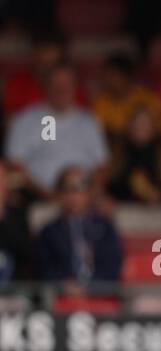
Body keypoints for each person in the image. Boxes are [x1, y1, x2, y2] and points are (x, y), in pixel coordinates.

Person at [4, 63, 108, 197]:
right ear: (45, 87)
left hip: (83, 201)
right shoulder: (24, 121)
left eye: (66, 85)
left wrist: (87, 197)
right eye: (56, 85)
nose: (62, 90)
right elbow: (14, 165)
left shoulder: (89, 122)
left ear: (75, 87)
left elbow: (102, 167)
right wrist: (50, 196)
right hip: (36, 201)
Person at [37, 166, 123, 295]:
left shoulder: (105, 228)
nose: (74, 196)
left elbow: (112, 268)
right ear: (59, 194)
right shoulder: (49, 232)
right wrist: (64, 285)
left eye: (79, 189)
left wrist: (89, 288)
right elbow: (44, 271)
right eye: (67, 190)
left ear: (89, 192)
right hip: (61, 298)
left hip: (100, 296)